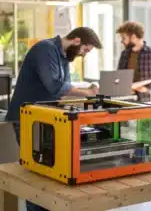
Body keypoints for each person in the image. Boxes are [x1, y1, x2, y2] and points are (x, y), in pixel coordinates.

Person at [5, 27, 102, 211]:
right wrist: (87, 93)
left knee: (49, 168)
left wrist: (84, 97)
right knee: (37, 169)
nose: (83, 55)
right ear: (77, 41)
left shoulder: (63, 57)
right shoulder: (45, 49)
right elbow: (55, 86)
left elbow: (62, 90)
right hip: (28, 119)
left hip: (45, 117)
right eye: (85, 50)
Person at [116, 21, 151, 102]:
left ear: (133, 37)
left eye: (123, 38)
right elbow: (119, 76)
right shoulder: (124, 54)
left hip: (148, 100)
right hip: (127, 99)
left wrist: (147, 88)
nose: (122, 41)